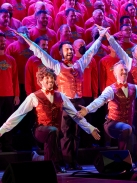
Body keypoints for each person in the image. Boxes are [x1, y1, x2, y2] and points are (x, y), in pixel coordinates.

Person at [14, 26, 108, 170]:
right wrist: (26, 39)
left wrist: (100, 37)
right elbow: (40, 53)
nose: (70, 51)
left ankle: (73, 161)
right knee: (66, 133)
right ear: (61, 52)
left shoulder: (79, 64)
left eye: (71, 49)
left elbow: (90, 52)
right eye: (67, 49)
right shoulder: (57, 66)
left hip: (79, 101)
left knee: (77, 133)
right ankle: (66, 160)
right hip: (65, 103)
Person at [0, 67, 100, 173]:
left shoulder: (60, 96)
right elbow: (18, 115)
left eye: (52, 77)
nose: (50, 80)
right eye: (47, 78)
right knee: (52, 131)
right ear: (41, 80)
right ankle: (53, 166)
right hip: (40, 130)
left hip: (55, 132)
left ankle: (41, 160)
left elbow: (75, 115)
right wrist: (2, 130)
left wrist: (90, 128)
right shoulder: (34, 96)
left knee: (53, 133)